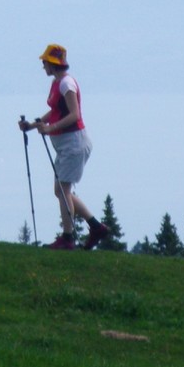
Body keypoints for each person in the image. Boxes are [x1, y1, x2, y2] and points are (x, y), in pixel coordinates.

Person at [21, 43, 110, 251]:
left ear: (52, 64)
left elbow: (74, 115)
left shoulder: (66, 84)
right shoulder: (58, 83)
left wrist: (49, 129)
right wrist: (33, 126)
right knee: (61, 191)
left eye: (45, 63)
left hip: (74, 145)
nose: (43, 66)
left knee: (63, 191)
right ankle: (96, 227)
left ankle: (68, 238)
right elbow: (55, 112)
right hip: (67, 146)